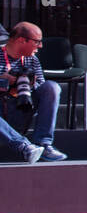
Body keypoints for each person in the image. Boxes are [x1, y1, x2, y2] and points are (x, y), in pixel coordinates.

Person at [1, 22, 66, 163]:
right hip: (2, 112)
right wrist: (4, 82)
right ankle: (25, 147)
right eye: (37, 42)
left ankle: (44, 144)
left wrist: (28, 83)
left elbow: (41, 87)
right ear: (21, 40)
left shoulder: (32, 59)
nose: (40, 46)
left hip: (23, 107)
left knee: (52, 87)